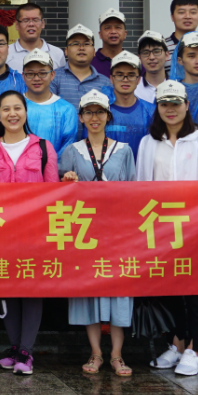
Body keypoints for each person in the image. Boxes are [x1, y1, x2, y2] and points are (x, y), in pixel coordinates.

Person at [138, 80, 198, 378]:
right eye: (164, 104)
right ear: (157, 108)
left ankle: (195, 350)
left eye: (176, 103)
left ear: (187, 105)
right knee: (169, 287)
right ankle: (176, 344)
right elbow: (141, 187)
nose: (170, 109)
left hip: (196, 229)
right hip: (160, 229)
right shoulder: (149, 142)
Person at [0, 89, 59, 376]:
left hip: (34, 231)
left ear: (25, 112)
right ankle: (14, 348)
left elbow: (53, 194)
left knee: (31, 288)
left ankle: (26, 351)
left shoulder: (44, 148)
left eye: (17, 108)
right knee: (6, 287)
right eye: (6, 109)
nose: (12, 114)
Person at [60, 90, 137, 377]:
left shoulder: (124, 150)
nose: (95, 117)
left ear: (108, 116)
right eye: (89, 112)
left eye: (100, 112)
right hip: (85, 231)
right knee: (88, 289)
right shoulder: (71, 151)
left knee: (119, 289)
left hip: (117, 231)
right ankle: (96, 353)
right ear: (81, 117)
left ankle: (117, 354)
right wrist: (67, 180)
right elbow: (61, 195)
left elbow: (133, 189)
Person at [22, 48, 80, 156]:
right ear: (23, 76)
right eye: (30, 73)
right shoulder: (15, 107)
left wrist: (50, 164)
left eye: (42, 73)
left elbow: (67, 148)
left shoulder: (66, 110)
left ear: (52, 75)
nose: (36, 78)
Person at [106, 51, 156, 156]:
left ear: (138, 79)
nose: (125, 80)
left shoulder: (151, 111)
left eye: (131, 75)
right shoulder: (100, 111)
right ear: (111, 78)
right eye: (119, 75)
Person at [51, 24, 114, 107]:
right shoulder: (53, 78)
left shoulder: (106, 82)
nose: (81, 48)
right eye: (75, 44)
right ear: (66, 51)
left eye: (87, 44)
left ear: (94, 51)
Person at [7, 3, 64, 72]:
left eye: (36, 20)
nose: (31, 24)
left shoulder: (57, 53)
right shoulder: (6, 53)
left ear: (43, 23)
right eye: (25, 20)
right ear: (17, 25)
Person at [134, 31, 170, 102]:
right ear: (139, 58)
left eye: (156, 51)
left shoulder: (178, 86)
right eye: (145, 53)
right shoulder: (133, 89)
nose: (151, 57)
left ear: (167, 55)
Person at [91, 8, 128, 78]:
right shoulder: (90, 63)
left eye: (118, 27)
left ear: (125, 34)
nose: (113, 31)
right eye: (107, 28)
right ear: (100, 34)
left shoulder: (134, 62)